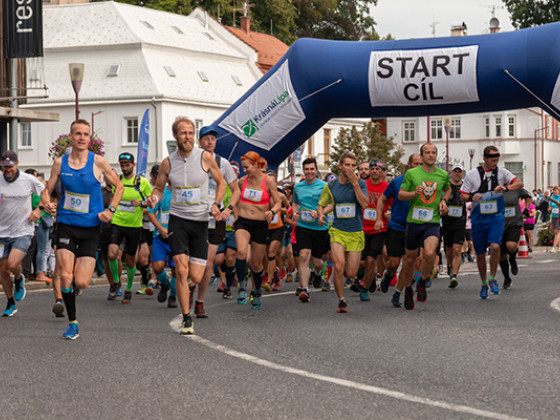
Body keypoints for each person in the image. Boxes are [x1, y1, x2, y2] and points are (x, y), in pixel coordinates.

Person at [42, 120, 123, 338]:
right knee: (66, 276)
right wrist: (47, 202)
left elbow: (120, 186)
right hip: (66, 225)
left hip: (90, 228)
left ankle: (72, 293)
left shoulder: (98, 162)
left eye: (86, 134)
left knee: (81, 282)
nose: (82, 137)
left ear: (90, 138)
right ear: (70, 136)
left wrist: (111, 210)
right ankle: (73, 323)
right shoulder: (60, 163)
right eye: (78, 133)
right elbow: (47, 189)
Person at [146, 116, 225, 335]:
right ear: (175, 136)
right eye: (183, 133)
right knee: (180, 270)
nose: (188, 137)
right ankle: (186, 317)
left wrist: (217, 203)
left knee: (197, 276)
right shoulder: (168, 162)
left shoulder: (206, 158)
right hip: (178, 220)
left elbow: (221, 182)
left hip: (200, 221)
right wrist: (154, 197)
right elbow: (159, 188)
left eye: (190, 133)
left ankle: (186, 290)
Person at [460, 145, 523, 299]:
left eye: (497, 160)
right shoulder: (472, 175)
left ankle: (493, 278)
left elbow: (519, 183)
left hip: (496, 216)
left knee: (495, 246)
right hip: (478, 219)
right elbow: (462, 195)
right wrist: (471, 197)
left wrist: (505, 188)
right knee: (480, 254)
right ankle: (483, 283)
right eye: (492, 160)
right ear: (485, 159)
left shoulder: (502, 172)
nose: (495, 163)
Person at [193, 126, 239, 318]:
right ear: (200, 141)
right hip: (194, 215)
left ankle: (200, 301)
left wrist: (228, 209)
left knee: (208, 262)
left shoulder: (223, 163)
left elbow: (236, 190)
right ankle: (187, 288)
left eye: (213, 138)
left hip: (216, 218)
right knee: (192, 261)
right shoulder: (191, 161)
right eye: (206, 138)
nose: (210, 141)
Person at [398, 144, 450, 310]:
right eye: (427, 152)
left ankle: (422, 281)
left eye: (433, 152)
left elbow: (447, 190)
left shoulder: (442, 175)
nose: (431, 155)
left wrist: (444, 200)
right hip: (414, 222)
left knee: (429, 253)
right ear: (421, 156)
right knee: (409, 260)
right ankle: (407, 288)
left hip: (432, 221)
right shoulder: (412, 173)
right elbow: (401, 195)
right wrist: (414, 193)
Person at [317, 152, 369, 313]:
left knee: (351, 272)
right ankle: (341, 300)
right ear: (340, 166)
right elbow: (321, 204)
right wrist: (320, 214)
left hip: (355, 232)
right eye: (347, 165)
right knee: (338, 266)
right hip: (338, 230)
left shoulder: (360, 183)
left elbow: (365, 204)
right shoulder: (331, 186)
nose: (351, 168)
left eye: (353, 166)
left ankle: (356, 278)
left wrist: (354, 184)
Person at [233, 151, 282, 310]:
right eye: (243, 167)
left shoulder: (268, 181)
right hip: (243, 223)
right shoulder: (242, 181)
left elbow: (278, 202)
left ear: (255, 165)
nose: (244, 170)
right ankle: (241, 287)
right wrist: (235, 216)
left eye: (246, 167)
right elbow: (236, 201)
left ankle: (257, 290)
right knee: (241, 252)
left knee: (256, 263)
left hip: (260, 224)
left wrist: (272, 212)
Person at [0, 151, 45, 316]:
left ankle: (19, 278)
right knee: (3, 270)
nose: (8, 169)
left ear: (17, 163)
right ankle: (10, 302)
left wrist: (39, 210)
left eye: (11, 166)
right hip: (2, 233)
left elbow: (47, 194)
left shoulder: (28, 179)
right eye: (5, 166)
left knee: (12, 264)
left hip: (22, 231)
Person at [376, 153, 423, 307]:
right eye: (415, 163)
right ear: (409, 164)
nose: (418, 166)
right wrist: (378, 219)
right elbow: (382, 199)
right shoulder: (397, 182)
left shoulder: (427, 183)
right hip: (396, 226)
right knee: (393, 263)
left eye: (420, 164)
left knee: (408, 262)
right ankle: (388, 275)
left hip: (414, 227)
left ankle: (397, 293)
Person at [107, 152, 153, 304]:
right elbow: (115, 198)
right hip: (117, 222)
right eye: (122, 165)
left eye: (127, 165)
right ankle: (115, 282)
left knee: (131, 260)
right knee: (112, 253)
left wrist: (140, 203)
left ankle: (128, 288)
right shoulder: (117, 180)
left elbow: (152, 203)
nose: (124, 168)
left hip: (134, 225)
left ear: (133, 165)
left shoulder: (142, 182)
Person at [292, 157, 330, 302]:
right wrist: (295, 211)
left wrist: (321, 213)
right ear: (303, 170)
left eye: (311, 169)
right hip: (303, 226)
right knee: (303, 256)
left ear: (316, 170)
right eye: (306, 169)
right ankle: (304, 289)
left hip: (320, 228)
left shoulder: (324, 186)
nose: (309, 172)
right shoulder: (298, 187)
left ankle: (318, 273)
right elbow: (295, 202)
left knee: (317, 261)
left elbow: (331, 204)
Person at [359, 158, 389, 302]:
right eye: (372, 169)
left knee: (371, 260)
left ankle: (364, 290)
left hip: (379, 229)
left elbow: (391, 205)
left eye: (378, 169)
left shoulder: (387, 187)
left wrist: (389, 215)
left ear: (382, 172)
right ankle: (367, 278)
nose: (375, 171)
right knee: (360, 263)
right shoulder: (363, 184)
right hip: (362, 228)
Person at [441, 164, 467, 289]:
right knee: (449, 250)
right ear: (451, 172)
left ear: (462, 173)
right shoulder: (446, 186)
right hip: (446, 221)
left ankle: (454, 276)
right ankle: (450, 266)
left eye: (459, 171)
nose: (457, 174)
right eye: (455, 171)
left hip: (460, 222)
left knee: (457, 250)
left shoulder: (465, 186)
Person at [499, 188, 527, 289]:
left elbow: (527, 196)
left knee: (510, 245)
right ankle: (507, 278)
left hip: (514, 223)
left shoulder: (515, 188)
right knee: (501, 255)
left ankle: (512, 257)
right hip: (499, 224)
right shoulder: (494, 188)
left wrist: (526, 209)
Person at [548, 186, 560, 251]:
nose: (554, 191)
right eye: (554, 190)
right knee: (557, 232)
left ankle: (554, 247)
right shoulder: (552, 198)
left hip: (559, 216)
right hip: (553, 215)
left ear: (559, 191)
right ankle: (559, 247)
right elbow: (550, 206)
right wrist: (549, 208)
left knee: (557, 231)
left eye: (556, 190)